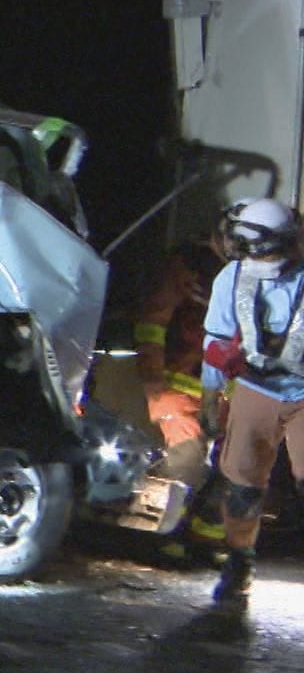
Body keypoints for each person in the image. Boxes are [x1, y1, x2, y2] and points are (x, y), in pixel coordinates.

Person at [200, 197, 304, 607]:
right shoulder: (233, 278)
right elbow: (217, 340)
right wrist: (210, 397)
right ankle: (240, 560)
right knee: (242, 484)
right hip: (258, 388)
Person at [133, 236, 227, 558]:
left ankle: (205, 538)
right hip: (179, 384)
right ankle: (164, 539)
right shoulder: (187, 267)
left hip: (223, 392)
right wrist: (153, 380)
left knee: (232, 467)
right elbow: (153, 324)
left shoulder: (250, 276)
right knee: (185, 463)